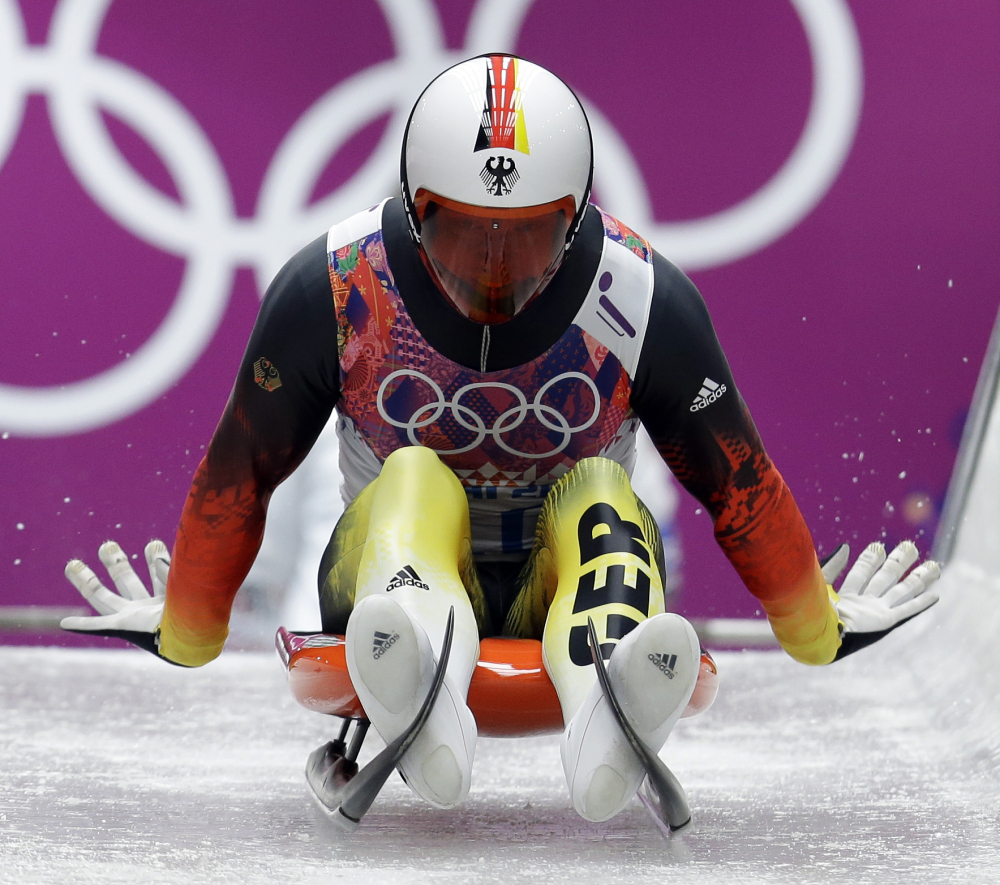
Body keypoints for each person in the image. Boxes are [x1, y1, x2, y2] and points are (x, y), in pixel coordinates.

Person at [62, 54, 941, 823]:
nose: (491, 271)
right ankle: (419, 653)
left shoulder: (639, 299)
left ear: (573, 217)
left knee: (600, 489)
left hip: (563, 587)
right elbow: (242, 474)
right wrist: (190, 627)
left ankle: (603, 687)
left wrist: (815, 627)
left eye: (524, 241)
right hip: (387, 582)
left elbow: (738, 486)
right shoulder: (334, 287)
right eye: (460, 234)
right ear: (415, 205)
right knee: (413, 476)